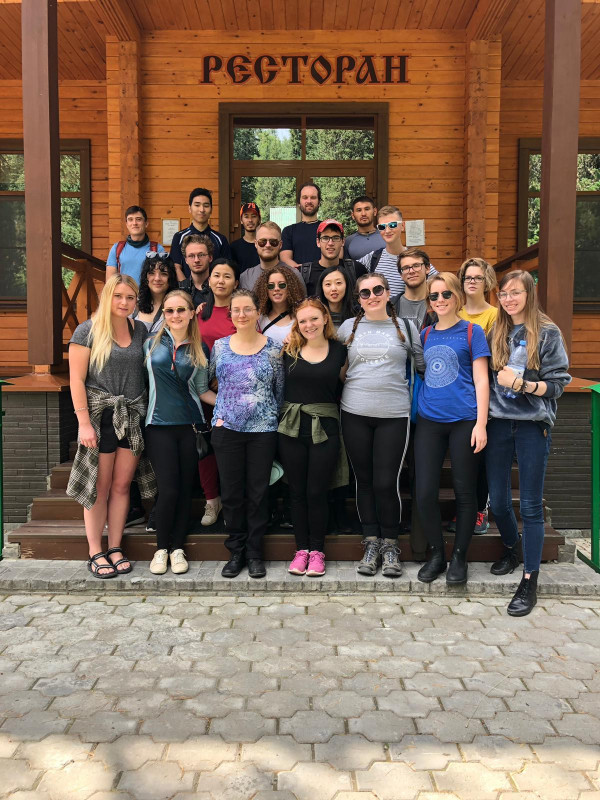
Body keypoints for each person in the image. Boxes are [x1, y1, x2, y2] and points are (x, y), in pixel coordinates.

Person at [487, 270, 570, 616]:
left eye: (515, 293)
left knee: (532, 506)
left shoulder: (548, 332)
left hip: (533, 426)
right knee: (497, 501)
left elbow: (558, 384)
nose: (508, 299)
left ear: (529, 294)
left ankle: (529, 580)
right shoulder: (497, 330)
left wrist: (523, 385)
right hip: (498, 424)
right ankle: (512, 547)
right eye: (504, 294)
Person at [67, 275, 155, 578]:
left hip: (131, 416)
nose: (124, 302)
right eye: (118, 296)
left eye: (130, 297)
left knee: (121, 486)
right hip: (100, 416)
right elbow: (76, 380)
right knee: (100, 488)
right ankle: (96, 551)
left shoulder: (140, 329)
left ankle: (115, 546)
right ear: (107, 296)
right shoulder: (87, 330)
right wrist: (83, 424)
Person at [337, 273, 424, 578]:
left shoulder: (408, 328)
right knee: (364, 481)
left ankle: (390, 545)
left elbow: (422, 367)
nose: (371, 296)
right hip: (354, 412)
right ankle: (371, 542)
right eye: (365, 292)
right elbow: (336, 365)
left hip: (394, 414)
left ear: (388, 293)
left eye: (377, 290)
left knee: (386, 483)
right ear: (358, 298)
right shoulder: (348, 327)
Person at [415, 272, 490, 586]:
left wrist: (481, 424)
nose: (440, 300)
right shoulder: (425, 334)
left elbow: (482, 379)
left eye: (446, 294)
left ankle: (459, 556)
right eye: (434, 296)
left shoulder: (473, 331)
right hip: (429, 421)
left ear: (457, 296)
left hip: (464, 421)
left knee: (464, 492)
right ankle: (437, 554)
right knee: (424, 492)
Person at [210, 289, 284, 579]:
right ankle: (236, 551)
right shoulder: (219, 347)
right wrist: (221, 411)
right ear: (230, 314)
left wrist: (267, 414)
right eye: (236, 310)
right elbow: (206, 383)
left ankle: (254, 553)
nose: (241, 314)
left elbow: (280, 390)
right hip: (226, 430)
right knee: (231, 494)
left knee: (258, 493)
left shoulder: (274, 348)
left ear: (257, 312)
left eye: (247, 309)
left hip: (263, 431)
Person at [144, 290, 216, 576]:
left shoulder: (200, 348)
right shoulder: (149, 343)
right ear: (164, 314)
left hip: (190, 426)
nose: (175, 315)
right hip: (157, 425)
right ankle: (161, 548)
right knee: (169, 489)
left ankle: (177, 548)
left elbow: (202, 391)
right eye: (170, 310)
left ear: (191, 313)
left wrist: (232, 404)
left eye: (181, 310)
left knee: (186, 488)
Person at [279, 299, 348, 577]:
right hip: (291, 429)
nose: (309, 325)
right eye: (303, 321)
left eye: (314, 319)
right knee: (297, 492)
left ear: (325, 319)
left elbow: (347, 385)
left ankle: (317, 552)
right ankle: (301, 550)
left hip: (326, 429)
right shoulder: (288, 350)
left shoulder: (340, 351)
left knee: (317, 492)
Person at [446, 257, 499, 535]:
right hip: (455, 396)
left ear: (486, 281)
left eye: (478, 277)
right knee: (462, 459)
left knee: (479, 456)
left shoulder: (495, 316)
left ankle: (479, 510)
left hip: (484, 392)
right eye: (468, 277)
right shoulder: (455, 312)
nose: (472, 282)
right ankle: (464, 508)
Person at [196, 258, 240, 526]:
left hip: (234, 392)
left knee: (231, 449)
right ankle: (212, 500)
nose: (221, 281)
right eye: (216, 275)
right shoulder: (199, 313)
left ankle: (233, 502)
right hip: (202, 392)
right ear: (209, 280)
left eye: (227, 276)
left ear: (236, 282)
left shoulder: (241, 311)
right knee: (206, 448)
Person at [359, 206, 437, 296]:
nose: (387, 231)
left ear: (402, 226)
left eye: (392, 225)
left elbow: (441, 282)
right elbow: (349, 271)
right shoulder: (373, 258)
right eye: (382, 227)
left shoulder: (416, 258)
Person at [170, 188, 231, 281]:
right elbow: (176, 267)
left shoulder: (220, 239)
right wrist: (186, 287)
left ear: (211, 210)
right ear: (190, 208)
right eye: (197, 205)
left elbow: (226, 268)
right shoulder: (179, 237)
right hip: (185, 288)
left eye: (206, 205)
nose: (202, 210)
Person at [298, 219, 366, 297]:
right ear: (318, 242)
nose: (330, 243)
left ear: (343, 242)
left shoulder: (355, 269)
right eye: (325, 238)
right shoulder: (304, 274)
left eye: (336, 238)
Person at [106, 206, 165, 286]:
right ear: (126, 224)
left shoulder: (157, 249)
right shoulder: (117, 248)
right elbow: (110, 282)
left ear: (146, 223)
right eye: (130, 219)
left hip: (147, 294)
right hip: (124, 293)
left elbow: (162, 279)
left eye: (138, 219)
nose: (134, 223)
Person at [239, 221, 305, 293]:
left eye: (273, 242)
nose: (268, 245)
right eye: (262, 241)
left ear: (280, 244)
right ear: (256, 244)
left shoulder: (294, 274)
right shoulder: (245, 277)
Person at [255, 264, 306, 346]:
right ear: (265, 290)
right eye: (271, 286)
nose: (276, 289)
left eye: (282, 285)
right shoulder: (258, 318)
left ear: (290, 287)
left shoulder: (301, 316)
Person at [133, 253, 178, 334]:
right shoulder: (133, 302)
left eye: (163, 274)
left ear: (171, 278)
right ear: (145, 277)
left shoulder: (178, 307)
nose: (157, 278)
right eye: (152, 273)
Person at [392, 248, 435, 331]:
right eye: (405, 268)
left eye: (416, 266)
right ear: (401, 274)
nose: (411, 271)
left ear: (427, 268)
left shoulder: (439, 303)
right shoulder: (390, 306)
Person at [280, 182, 322, 266]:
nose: (309, 201)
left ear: (319, 202)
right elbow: (285, 259)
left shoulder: (328, 228)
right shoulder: (288, 231)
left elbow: (337, 256)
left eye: (313, 197)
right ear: (299, 203)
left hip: (325, 274)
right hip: (297, 274)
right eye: (305, 197)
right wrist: (303, 271)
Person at [344, 196, 385, 261]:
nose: (363, 214)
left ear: (374, 211)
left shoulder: (386, 236)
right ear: (353, 215)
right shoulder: (348, 242)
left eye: (367, 209)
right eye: (359, 210)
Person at [317, 265, 357, 331]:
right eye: (328, 284)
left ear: (347, 285)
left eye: (338, 283)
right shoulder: (315, 315)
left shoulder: (358, 314)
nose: (333, 288)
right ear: (322, 288)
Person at [179, 234, 213, 308]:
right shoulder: (180, 289)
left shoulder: (218, 287)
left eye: (201, 255)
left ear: (210, 257)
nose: (196, 260)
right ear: (186, 260)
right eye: (191, 256)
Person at [231, 202, 261, 272]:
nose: (250, 220)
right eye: (246, 216)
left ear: (259, 220)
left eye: (254, 216)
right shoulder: (234, 247)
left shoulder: (265, 245)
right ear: (241, 220)